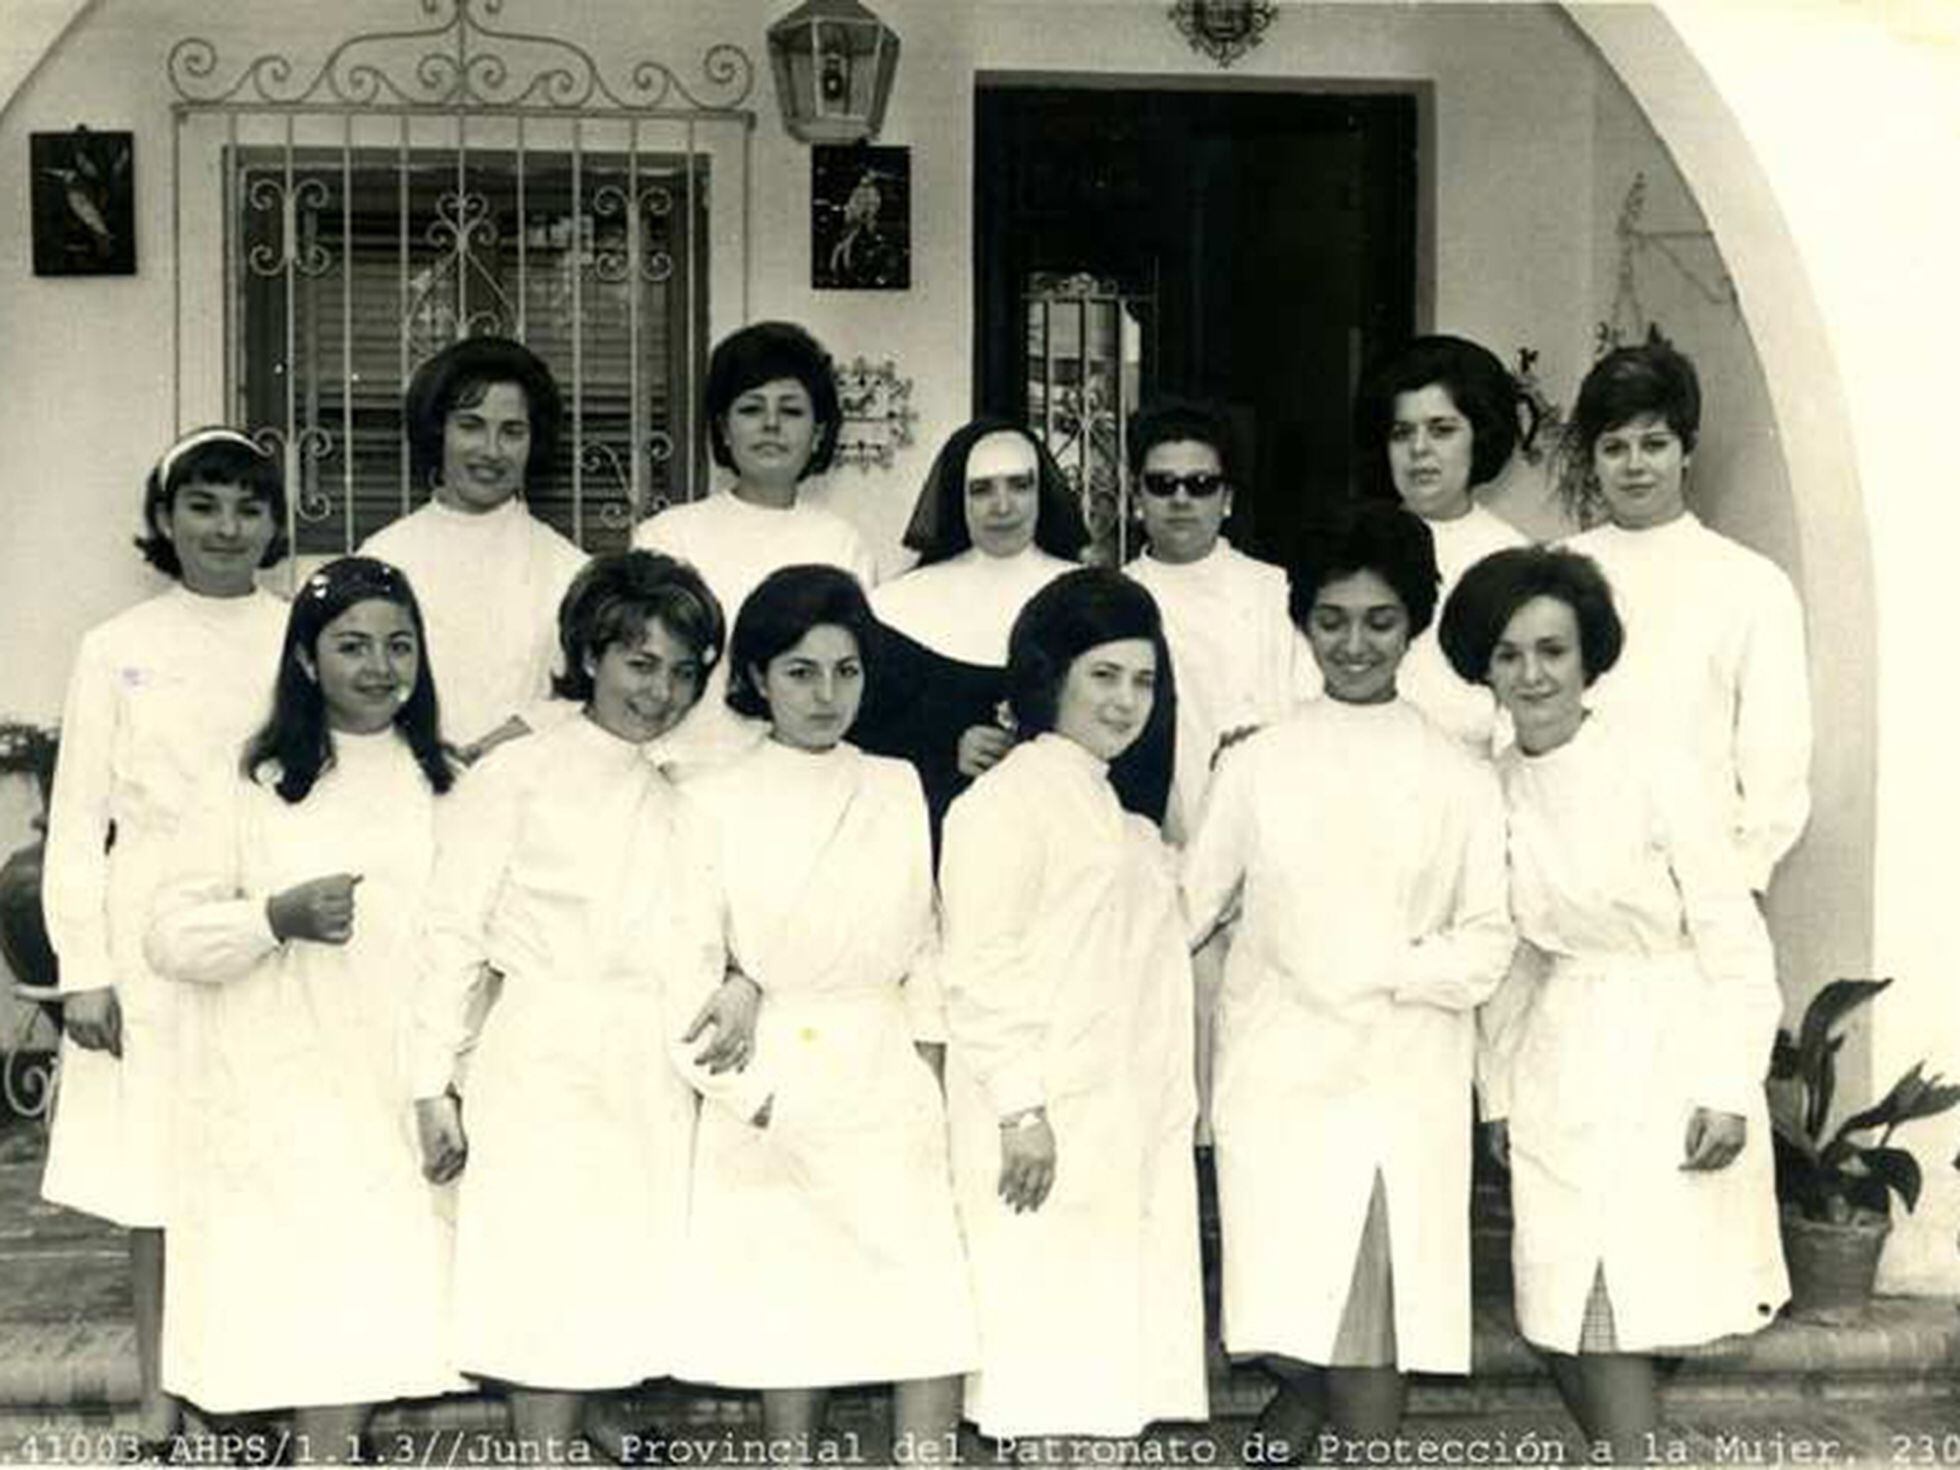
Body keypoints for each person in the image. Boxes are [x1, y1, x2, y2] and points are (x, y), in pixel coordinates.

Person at [408, 551, 766, 1458]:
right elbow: (451, 935)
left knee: (618, 1280)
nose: (663, 691)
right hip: (547, 1057)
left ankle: (586, 1434)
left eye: (684, 671)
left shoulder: (695, 784)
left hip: (651, 1066)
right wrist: (429, 1084)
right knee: (545, 1282)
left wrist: (743, 979)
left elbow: (725, 924)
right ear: (592, 654)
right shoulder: (516, 776)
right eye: (641, 664)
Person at [1438, 546, 1788, 1461]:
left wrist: (1726, 1080)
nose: (1532, 674)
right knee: (1562, 1312)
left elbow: (1733, 937)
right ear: (1484, 667)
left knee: (1624, 1310)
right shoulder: (1492, 792)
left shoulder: (1657, 770)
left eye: (1552, 651)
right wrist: (1501, 1093)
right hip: (1560, 1060)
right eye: (1508, 655)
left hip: (1670, 1051)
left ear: (1590, 657)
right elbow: (1509, 960)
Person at [1180, 504, 1514, 1451]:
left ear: (1412, 626)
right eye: (1332, 620)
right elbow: (1189, 908)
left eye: (1379, 621)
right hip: (1275, 1076)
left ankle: (1339, 1429)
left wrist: (1375, 970)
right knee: (1278, 1304)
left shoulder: (1459, 775)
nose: (1354, 644)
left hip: (1399, 1077)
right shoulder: (1258, 763)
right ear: (1305, 624)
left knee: (1375, 1308)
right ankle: (1304, 1399)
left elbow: (1485, 945)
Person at [143, 557, 460, 1447]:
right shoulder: (248, 782)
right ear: (307, 661)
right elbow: (168, 936)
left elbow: (461, 945)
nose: (378, 667)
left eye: (400, 646)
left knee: (370, 1292)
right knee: (283, 1298)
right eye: (352, 645)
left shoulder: (443, 781)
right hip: (273, 1082)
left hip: (391, 1080)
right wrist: (271, 918)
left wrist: (441, 1081)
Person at [681, 565, 975, 1461]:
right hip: (771, 1072)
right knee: (792, 1307)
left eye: (845, 672)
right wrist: (758, 1097)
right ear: (758, 678)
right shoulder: (707, 795)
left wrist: (927, 1069)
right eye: (801, 672)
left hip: (885, 1063)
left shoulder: (892, 784)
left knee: (924, 1303)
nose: (826, 695)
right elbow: (681, 968)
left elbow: (925, 935)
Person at [39, 427, 291, 1446]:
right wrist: (84, 972)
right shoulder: (116, 648)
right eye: (203, 506)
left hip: (270, 924)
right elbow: (78, 817)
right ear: (165, 520)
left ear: (274, 524)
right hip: (148, 933)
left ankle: (263, 1376)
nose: (226, 529)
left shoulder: (296, 636)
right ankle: (160, 1385)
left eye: (247, 508)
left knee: (267, 1160)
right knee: (161, 1171)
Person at [937, 568, 1205, 1442]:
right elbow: (979, 970)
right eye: (1105, 676)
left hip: (1117, 1124)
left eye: (1144, 680)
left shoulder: (1116, 815)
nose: (1128, 701)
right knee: (1048, 1370)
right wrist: (1020, 1111)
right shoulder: (1004, 803)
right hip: (1040, 1132)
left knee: (1105, 1375)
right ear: (1051, 676)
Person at [1558, 340, 1811, 894]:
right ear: (1593, 457)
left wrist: (1741, 878)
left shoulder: (1750, 583)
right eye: (1614, 447)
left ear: (1687, 449)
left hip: (1702, 880)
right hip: (1572, 872)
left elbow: (1776, 750)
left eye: (1655, 444)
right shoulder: (1555, 572)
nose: (1634, 465)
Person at [634, 322, 878, 769]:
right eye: (751, 409)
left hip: (800, 777)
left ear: (819, 433)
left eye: (790, 410)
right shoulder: (667, 537)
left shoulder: (841, 544)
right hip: (678, 771)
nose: (771, 425)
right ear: (724, 429)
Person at [857, 418, 1094, 839]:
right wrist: (946, 750)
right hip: (933, 833)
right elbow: (863, 739)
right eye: (981, 489)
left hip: (1063, 837)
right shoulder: (895, 606)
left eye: (1019, 485)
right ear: (955, 500)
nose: (1002, 506)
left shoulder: (1089, 599)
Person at [359, 335, 588, 762]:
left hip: (531, 789)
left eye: (512, 431)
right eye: (471, 425)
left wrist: (494, 747)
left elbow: (582, 696)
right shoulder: (383, 558)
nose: (491, 451)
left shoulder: (571, 569)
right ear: (438, 430)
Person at [1121, 398, 1310, 843]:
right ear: (1136, 497)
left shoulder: (1277, 592)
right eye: (1162, 484)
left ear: (1228, 499)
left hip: (1275, 829)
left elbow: (1312, 711)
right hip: (1155, 840)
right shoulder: (1116, 599)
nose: (1181, 499)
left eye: (1201, 484)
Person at [1352, 335, 1532, 755]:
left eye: (1442, 430)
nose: (1419, 450)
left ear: (1480, 437)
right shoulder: (1351, 546)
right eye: (1402, 432)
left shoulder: (1514, 560)